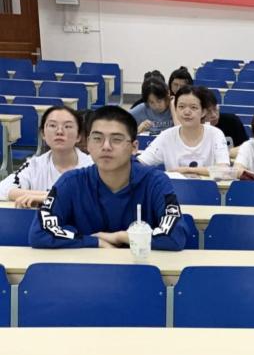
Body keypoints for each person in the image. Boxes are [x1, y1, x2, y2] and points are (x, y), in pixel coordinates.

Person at [29, 105, 188, 250]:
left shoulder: (155, 182)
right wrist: (96, 242)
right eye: (97, 139)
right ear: (88, 144)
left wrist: (121, 237)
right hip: (87, 269)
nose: (106, 146)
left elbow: (175, 236)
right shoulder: (71, 182)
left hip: (140, 268)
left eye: (116, 139)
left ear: (134, 147)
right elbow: (39, 233)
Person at [0, 106, 92, 207]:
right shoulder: (34, 165)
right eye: (52, 125)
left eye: (68, 126)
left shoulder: (93, 166)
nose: (59, 131)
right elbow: (3, 189)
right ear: (43, 134)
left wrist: (48, 198)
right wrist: (49, 196)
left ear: (78, 136)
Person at [136, 86, 230, 176]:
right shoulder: (166, 136)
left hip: (208, 187)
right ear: (175, 110)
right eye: (181, 107)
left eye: (193, 107)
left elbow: (224, 170)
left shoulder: (215, 134)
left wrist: (187, 170)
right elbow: (139, 163)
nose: (187, 112)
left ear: (203, 112)